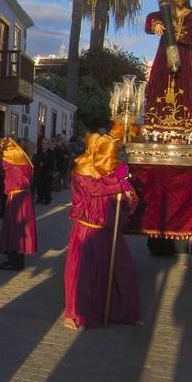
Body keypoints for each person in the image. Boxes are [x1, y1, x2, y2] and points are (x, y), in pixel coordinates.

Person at [62, 133, 141, 329]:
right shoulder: (81, 172)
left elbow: (131, 201)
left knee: (121, 271)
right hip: (86, 232)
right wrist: (119, 183)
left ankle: (119, 311)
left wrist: (128, 191)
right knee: (83, 274)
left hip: (109, 231)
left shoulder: (112, 173)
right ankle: (73, 313)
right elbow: (94, 189)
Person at [143, 0, 192, 130]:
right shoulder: (166, 12)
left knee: (185, 82)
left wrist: (176, 34)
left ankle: (185, 118)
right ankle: (157, 117)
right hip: (164, 53)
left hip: (184, 53)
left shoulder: (189, 14)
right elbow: (151, 18)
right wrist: (157, 24)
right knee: (161, 80)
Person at [0, 138, 38, 270]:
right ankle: (16, 259)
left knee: (15, 228)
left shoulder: (12, 161)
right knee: (18, 228)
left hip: (17, 198)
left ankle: (15, 261)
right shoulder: (23, 160)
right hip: (24, 196)